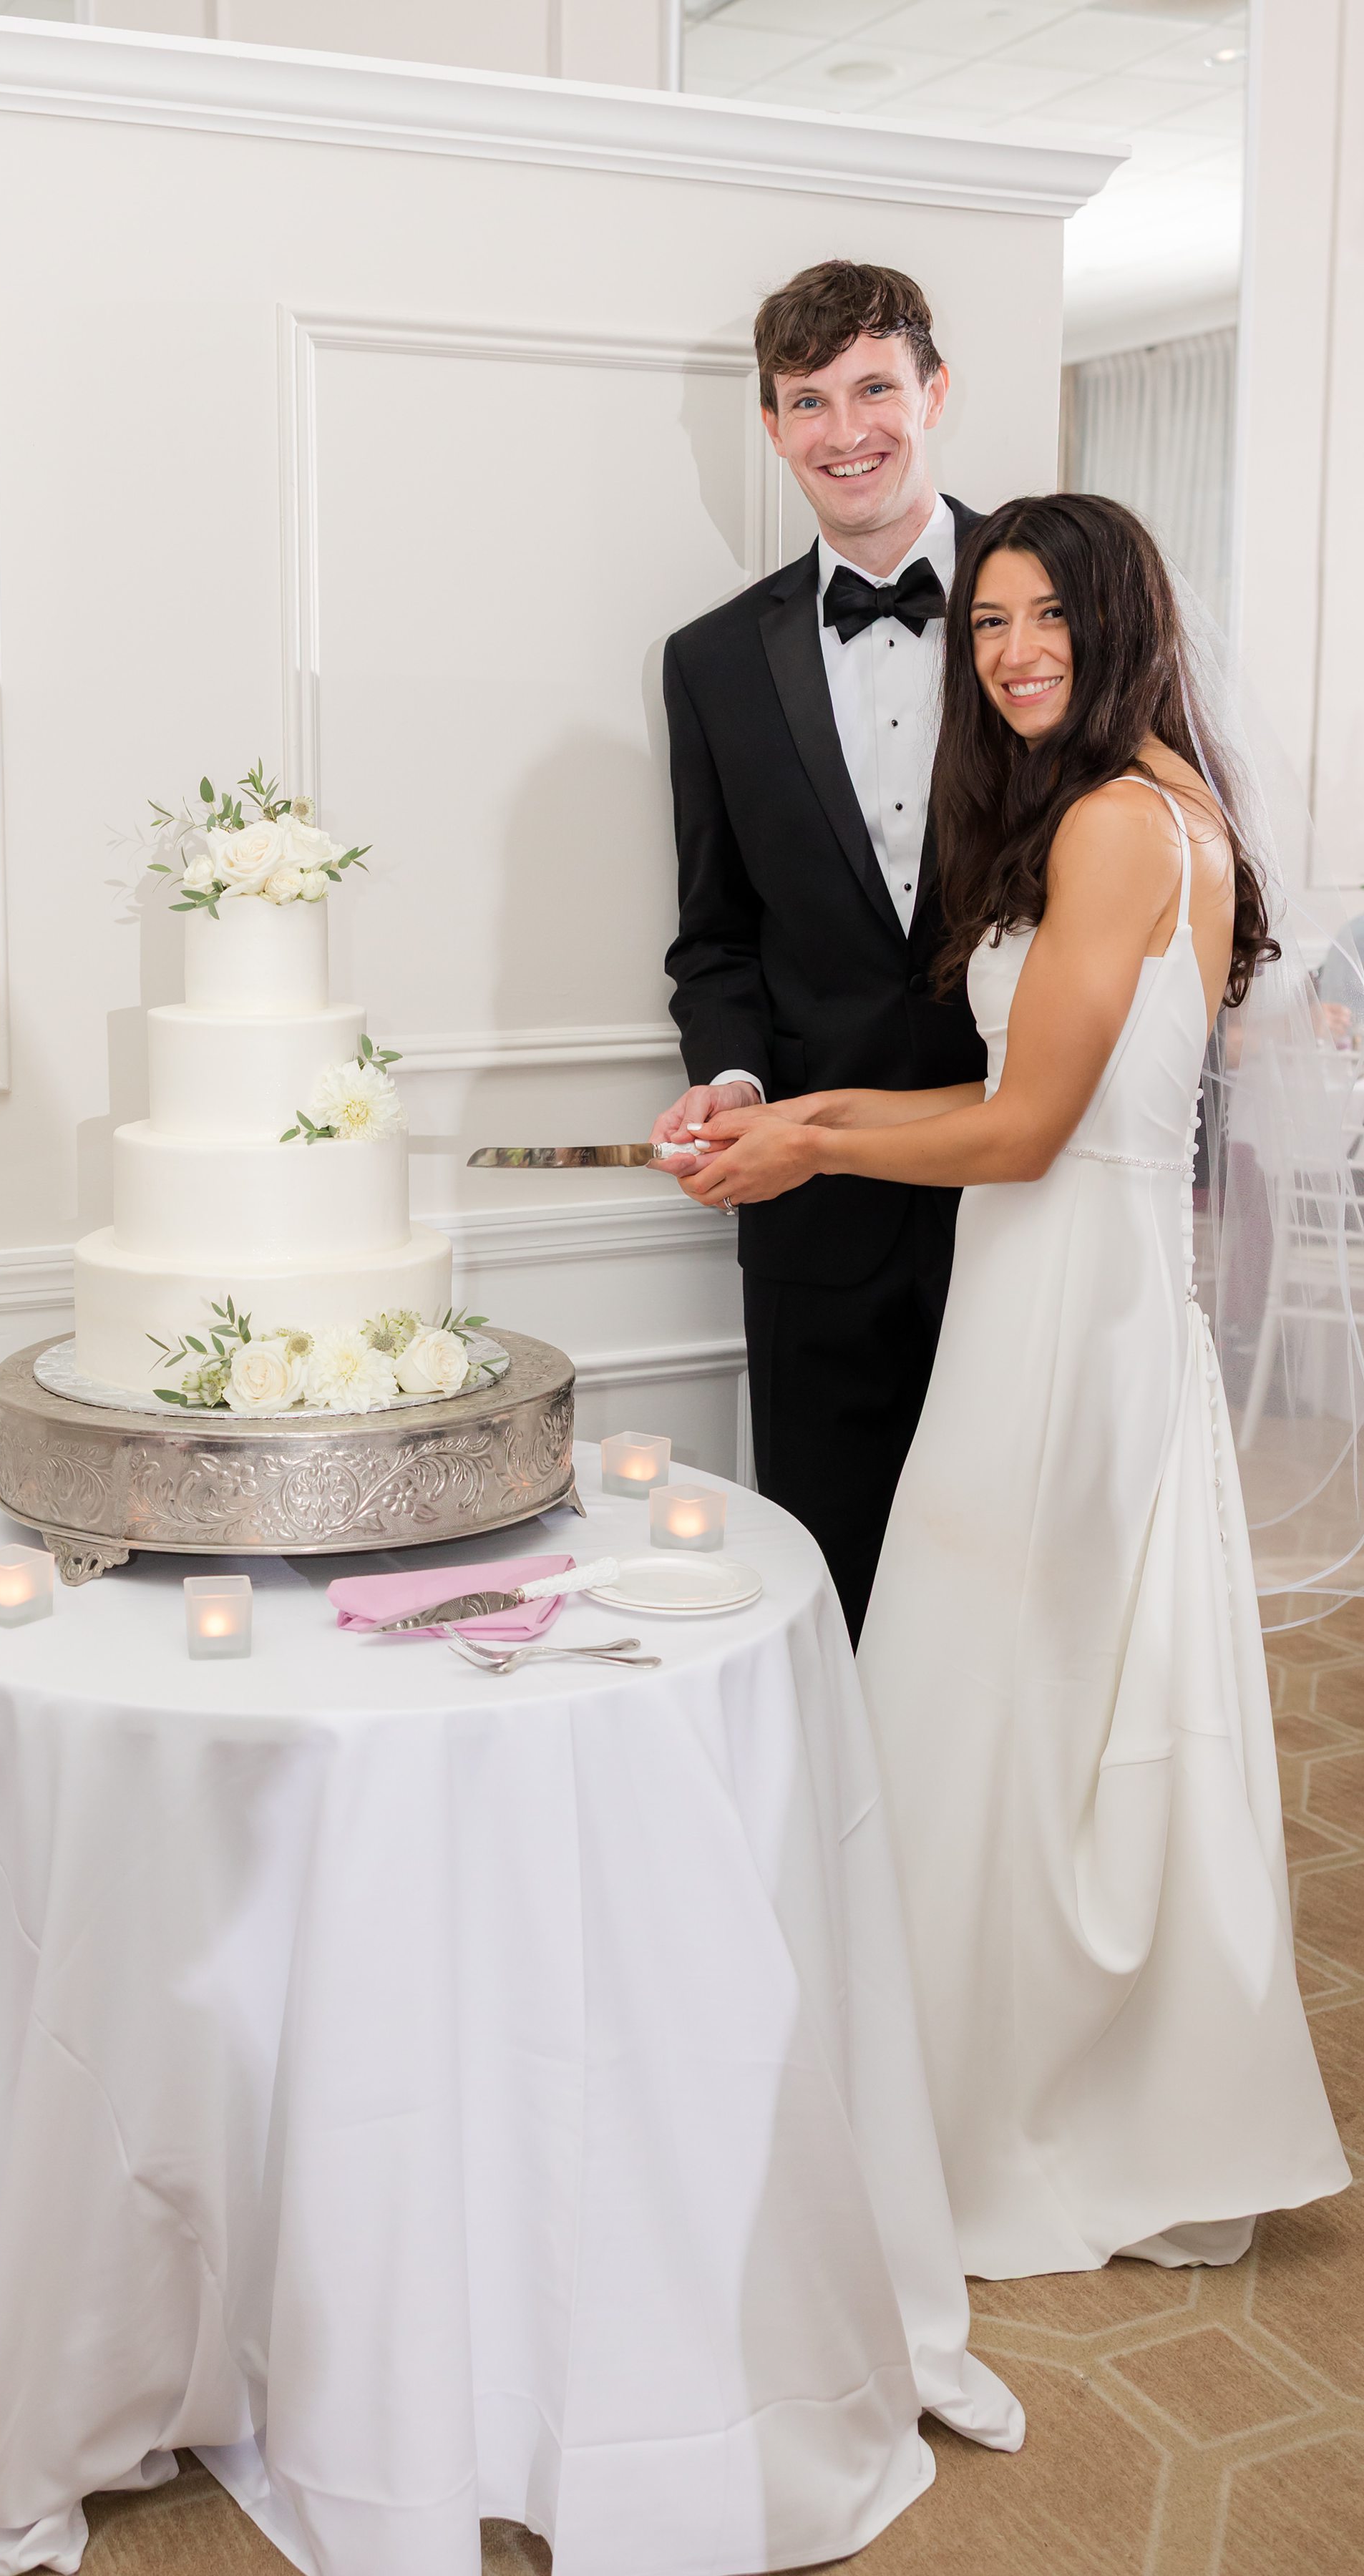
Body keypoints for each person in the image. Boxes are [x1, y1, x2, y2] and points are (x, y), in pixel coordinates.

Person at [673, 493, 1348, 2278]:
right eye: (988, 623)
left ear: (1124, 620)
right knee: (1044, 1701)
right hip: (1072, 1286)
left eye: (1049, 615)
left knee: (1019, 1687)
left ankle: (1020, 2097)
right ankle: (1057, 2063)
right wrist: (793, 1113)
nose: (1014, 649)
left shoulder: (1123, 827)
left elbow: (1027, 1127)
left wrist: (812, 1153)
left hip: (1066, 1309)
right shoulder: (1144, 805)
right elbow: (1014, 1114)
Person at [654, 259, 986, 1644]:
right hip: (813, 1218)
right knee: (830, 1585)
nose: (847, 429)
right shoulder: (712, 659)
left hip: (1022, 1179)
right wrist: (729, 1083)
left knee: (1014, 1578)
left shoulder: (1060, 607)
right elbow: (716, 938)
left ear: (933, 393)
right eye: (808, 400)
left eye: (873, 388)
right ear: (774, 425)